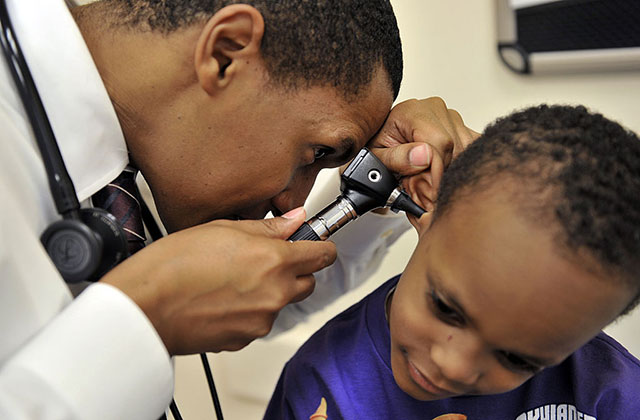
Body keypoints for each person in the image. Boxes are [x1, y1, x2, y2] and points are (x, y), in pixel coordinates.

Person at [0, 0, 479, 419]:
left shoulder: (138, 159)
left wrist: (377, 192)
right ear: (226, 53)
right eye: (314, 155)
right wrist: (143, 316)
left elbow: (239, 290)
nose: (292, 201)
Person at [263, 105, 640, 420]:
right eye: (446, 309)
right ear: (425, 206)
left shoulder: (615, 402)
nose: (452, 366)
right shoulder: (319, 388)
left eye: (515, 359)